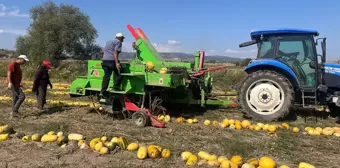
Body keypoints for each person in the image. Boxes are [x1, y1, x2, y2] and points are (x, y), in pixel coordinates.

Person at [100, 32, 125, 97]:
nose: (123, 40)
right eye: (123, 38)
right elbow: (115, 52)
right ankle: (116, 87)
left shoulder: (108, 42)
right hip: (111, 61)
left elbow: (104, 50)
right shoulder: (118, 42)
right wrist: (117, 63)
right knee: (120, 72)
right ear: (120, 38)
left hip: (104, 61)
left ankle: (102, 91)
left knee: (106, 76)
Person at [6, 55, 29, 119]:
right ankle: (14, 111)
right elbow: (9, 73)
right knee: (22, 96)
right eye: (24, 61)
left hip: (16, 84)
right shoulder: (13, 64)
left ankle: (13, 114)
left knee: (15, 98)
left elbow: (16, 75)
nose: (24, 62)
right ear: (20, 59)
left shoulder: (18, 65)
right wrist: (10, 82)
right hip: (13, 84)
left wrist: (19, 84)